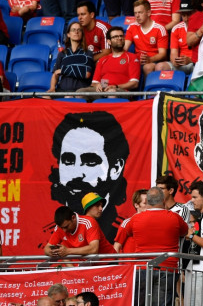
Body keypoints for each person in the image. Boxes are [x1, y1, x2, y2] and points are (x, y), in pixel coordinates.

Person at [118, 186, 189, 306]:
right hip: (167, 269)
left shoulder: (136, 219)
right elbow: (184, 232)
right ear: (163, 201)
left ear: (148, 202)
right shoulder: (174, 217)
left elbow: (127, 233)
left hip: (142, 268)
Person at [48, 110, 131, 242]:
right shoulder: (50, 233)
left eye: (90, 162)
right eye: (68, 161)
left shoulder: (125, 229)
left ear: (115, 168)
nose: (77, 173)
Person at [80, 26, 141, 96]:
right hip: (102, 91)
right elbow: (94, 83)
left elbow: (134, 83)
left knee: (111, 92)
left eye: (121, 36)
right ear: (109, 41)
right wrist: (98, 85)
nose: (120, 38)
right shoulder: (102, 60)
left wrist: (116, 86)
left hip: (121, 90)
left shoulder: (132, 57)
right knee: (80, 92)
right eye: (115, 37)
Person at [44, 206, 116, 257]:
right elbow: (47, 248)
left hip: (108, 261)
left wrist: (67, 251)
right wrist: (54, 252)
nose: (64, 230)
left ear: (73, 218)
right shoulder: (60, 227)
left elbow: (94, 249)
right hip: (89, 265)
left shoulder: (88, 222)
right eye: (61, 228)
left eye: (66, 227)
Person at [124, 0, 169, 77]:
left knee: (147, 67)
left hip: (154, 61)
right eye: (135, 13)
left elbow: (163, 54)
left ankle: (146, 89)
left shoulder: (159, 29)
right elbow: (125, 48)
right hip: (137, 61)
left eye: (140, 12)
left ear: (148, 13)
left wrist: (150, 59)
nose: (137, 16)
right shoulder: (132, 27)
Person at [48, 21, 95, 93]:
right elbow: (55, 74)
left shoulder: (88, 53)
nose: (76, 32)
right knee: (46, 96)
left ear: (82, 34)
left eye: (79, 30)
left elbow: (86, 74)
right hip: (63, 90)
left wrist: (63, 70)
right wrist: (52, 88)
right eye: (73, 30)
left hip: (80, 91)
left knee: (68, 96)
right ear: (68, 34)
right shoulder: (62, 54)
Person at [156, 0, 196, 74]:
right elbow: (173, 53)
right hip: (182, 64)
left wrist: (190, 60)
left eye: (189, 14)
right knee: (160, 66)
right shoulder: (176, 28)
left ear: (195, 12)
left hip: (196, 64)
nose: (186, 18)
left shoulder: (201, 28)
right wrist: (175, 61)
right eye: (183, 15)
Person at [113, 188, 149, 253]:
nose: (149, 206)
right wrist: (117, 263)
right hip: (130, 262)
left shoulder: (153, 222)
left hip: (148, 262)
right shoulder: (127, 222)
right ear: (136, 205)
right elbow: (117, 246)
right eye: (145, 203)